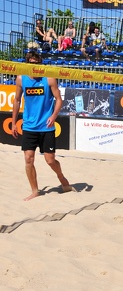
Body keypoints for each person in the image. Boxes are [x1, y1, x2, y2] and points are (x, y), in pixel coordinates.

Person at [11, 50, 72, 201]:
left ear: (40, 64)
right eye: (31, 64)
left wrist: (53, 116)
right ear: (27, 64)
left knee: (50, 160)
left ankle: (61, 176)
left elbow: (59, 99)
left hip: (46, 126)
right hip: (29, 126)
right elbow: (17, 100)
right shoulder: (21, 79)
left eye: (36, 63)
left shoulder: (49, 78)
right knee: (28, 159)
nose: (34, 66)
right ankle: (35, 190)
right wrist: (13, 122)